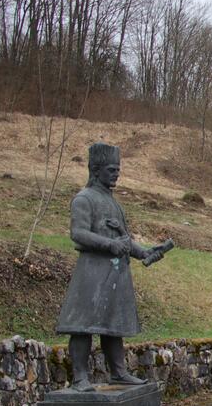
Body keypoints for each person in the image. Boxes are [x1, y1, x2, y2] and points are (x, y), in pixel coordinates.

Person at [56, 143, 167, 392]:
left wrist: (145, 252)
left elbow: (124, 239)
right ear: (96, 170)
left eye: (118, 169)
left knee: (112, 324)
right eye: (111, 169)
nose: (116, 173)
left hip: (116, 273)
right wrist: (108, 245)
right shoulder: (84, 199)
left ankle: (118, 372)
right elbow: (78, 233)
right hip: (92, 272)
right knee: (83, 325)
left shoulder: (113, 202)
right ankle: (80, 378)